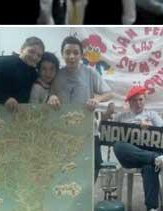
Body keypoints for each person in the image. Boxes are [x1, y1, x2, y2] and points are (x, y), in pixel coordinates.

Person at [100, 86, 163, 211]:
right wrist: (106, 116)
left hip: (148, 153)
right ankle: (157, 159)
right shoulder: (122, 117)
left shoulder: (152, 114)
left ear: (145, 100)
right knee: (119, 146)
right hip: (129, 156)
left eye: (141, 99)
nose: (138, 103)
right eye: (134, 100)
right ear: (129, 102)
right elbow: (106, 132)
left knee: (150, 167)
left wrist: (150, 129)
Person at [48, 36, 114, 182]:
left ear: (81, 54)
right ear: (62, 54)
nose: (71, 56)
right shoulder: (56, 74)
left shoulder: (90, 73)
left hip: (89, 130)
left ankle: (87, 199)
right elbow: (48, 93)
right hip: (63, 132)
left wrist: (96, 99)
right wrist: (51, 97)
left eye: (76, 52)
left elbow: (109, 93)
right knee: (66, 169)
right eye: (67, 52)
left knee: (95, 165)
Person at [0, 36, 44, 112]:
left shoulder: (33, 73)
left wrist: (52, 97)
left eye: (39, 55)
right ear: (22, 49)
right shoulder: (4, 61)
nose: (34, 57)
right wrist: (4, 98)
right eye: (31, 51)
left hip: (17, 117)